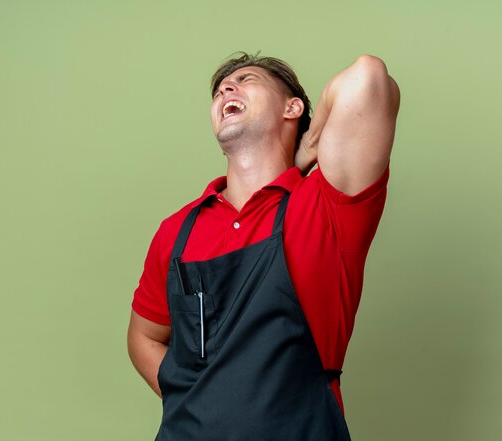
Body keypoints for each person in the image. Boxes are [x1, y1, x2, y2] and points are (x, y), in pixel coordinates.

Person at [127, 52, 400, 440]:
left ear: (293, 108)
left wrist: (305, 151)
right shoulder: (176, 231)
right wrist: (196, 400)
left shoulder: (326, 207)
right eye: (221, 88)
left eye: (247, 79)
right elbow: (143, 336)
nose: (226, 88)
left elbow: (367, 79)